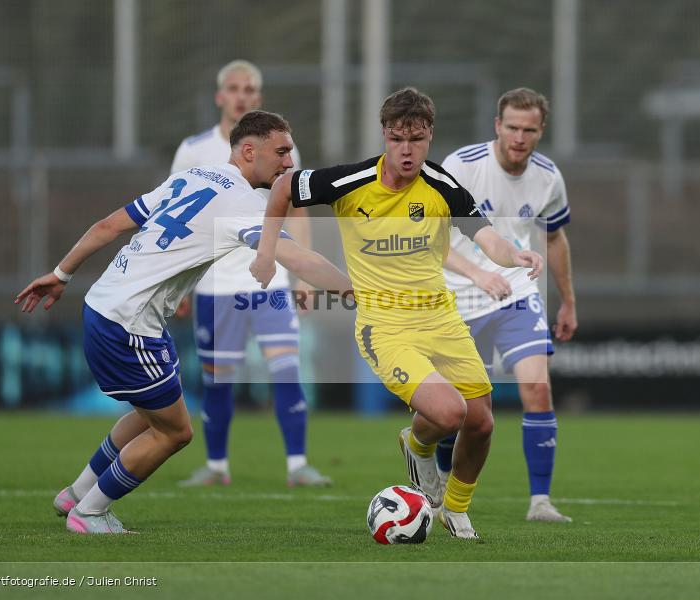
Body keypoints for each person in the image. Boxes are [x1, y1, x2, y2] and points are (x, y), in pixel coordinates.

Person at [15, 111, 350, 534]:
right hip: (128, 325)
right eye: (281, 152)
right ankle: (91, 512)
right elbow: (297, 258)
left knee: (148, 413)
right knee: (175, 432)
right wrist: (353, 288)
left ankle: (77, 494)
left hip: (106, 306)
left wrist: (61, 274)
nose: (289, 163)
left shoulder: (193, 177)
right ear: (249, 151)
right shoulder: (245, 205)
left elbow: (108, 225)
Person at [250, 88, 544, 539]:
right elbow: (285, 187)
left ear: (429, 137)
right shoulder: (350, 182)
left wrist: (515, 256)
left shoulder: (442, 186)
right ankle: (417, 444)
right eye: (397, 139)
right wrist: (268, 253)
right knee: (448, 414)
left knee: (481, 421)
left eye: (418, 139)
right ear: (385, 136)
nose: (407, 150)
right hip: (385, 325)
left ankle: (455, 509)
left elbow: (487, 237)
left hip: (441, 318)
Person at [171, 60, 330, 488]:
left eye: (249, 89)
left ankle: (298, 466)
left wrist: (305, 274)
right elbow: (179, 218)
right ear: (219, 96)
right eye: (234, 88)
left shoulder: (282, 149)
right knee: (218, 381)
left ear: (257, 98)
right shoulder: (193, 150)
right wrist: (179, 283)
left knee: (286, 371)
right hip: (216, 286)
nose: (241, 95)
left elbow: (296, 209)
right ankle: (217, 467)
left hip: (272, 282)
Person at [436, 88, 577, 522]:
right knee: (456, 411)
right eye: (511, 127)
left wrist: (568, 300)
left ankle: (540, 502)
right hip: (458, 294)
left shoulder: (548, 176)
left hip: (517, 293)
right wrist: (477, 273)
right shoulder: (462, 165)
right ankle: (438, 486)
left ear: (540, 131)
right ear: (497, 125)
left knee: (537, 389)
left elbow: (553, 237)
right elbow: (432, 237)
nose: (519, 137)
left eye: (528, 130)